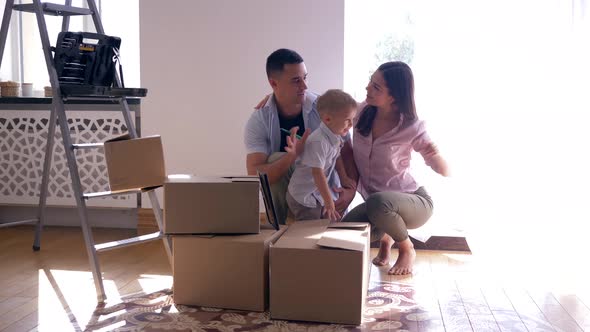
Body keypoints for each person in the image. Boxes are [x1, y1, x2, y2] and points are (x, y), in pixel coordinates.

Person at [341, 61, 450, 275]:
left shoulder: (411, 126)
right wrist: (273, 98)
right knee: (344, 232)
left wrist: (438, 160)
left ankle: (407, 248)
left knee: (379, 201)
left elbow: (439, 163)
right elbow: (330, 107)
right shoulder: (362, 112)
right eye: (370, 82)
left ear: (394, 96)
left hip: (414, 203)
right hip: (379, 206)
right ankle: (385, 241)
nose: (367, 88)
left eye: (376, 87)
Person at [244, 48, 356, 224]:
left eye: (305, 77)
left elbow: (347, 152)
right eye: (296, 80)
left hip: (327, 192)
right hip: (296, 191)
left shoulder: (325, 107)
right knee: (276, 158)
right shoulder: (260, 120)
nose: (304, 86)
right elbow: (256, 175)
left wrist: (350, 190)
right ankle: (278, 232)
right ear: (274, 84)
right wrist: (291, 157)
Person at [286, 89, 357, 221]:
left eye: (352, 119)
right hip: (303, 196)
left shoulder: (335, 135)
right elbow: (317, 173)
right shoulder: (318, 142)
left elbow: (337, 157)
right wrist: (329, 202)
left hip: (315, 192)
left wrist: (344, 178)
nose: (351, 125)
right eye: (348, 120)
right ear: (327, 119)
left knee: (326, 221)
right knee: (310, 229)